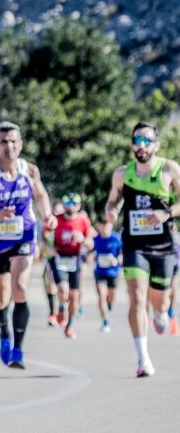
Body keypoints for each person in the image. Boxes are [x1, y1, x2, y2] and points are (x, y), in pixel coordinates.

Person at [105, 121, 180, 377]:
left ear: (156, 145)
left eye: (147, 140)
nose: (142, 145)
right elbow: (112, 202)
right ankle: (142, 358)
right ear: (132, 144)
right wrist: (112, 212)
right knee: (137, 297)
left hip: (163, 245)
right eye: (138, 139)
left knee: (160, 299)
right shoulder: (122, 174)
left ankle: (161, 314)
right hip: (134, 245)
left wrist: (167, 212)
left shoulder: (169, 169)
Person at [0, 122, 55, 369]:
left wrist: (48, 216)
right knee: (2, 296)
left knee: (20, 288)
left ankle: (18, 350)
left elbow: (41, 195)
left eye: (13, 141)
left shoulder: (29, 170)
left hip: (24, 235)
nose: (9, 146)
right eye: (3, 142)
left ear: (21, 144)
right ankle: (4, 333)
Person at [51, 193, 94, 339]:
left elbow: (90, 243)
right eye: (67, 203)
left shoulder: (83, 220)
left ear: (79, 205)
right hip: (60, 258)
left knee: (74, 296)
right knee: (63, 289)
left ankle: (70, 325)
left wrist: (82, 239)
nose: (71, 207)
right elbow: (45, 237)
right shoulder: (56, 220)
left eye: (74, 204)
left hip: (76, 259)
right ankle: (62, 308)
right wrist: (49, 247)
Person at [92, 218, 122, 333]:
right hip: (100, 272)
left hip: (113, 272)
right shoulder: (96, 239)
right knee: (101, 295)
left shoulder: (116, 239)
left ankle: (110, 304)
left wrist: (116, 260)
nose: (104, 228)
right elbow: (90, 251)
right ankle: (105, 320)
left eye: (107, 225)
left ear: (111, 225)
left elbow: (121, 254)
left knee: (111, 296)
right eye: (102, 225)